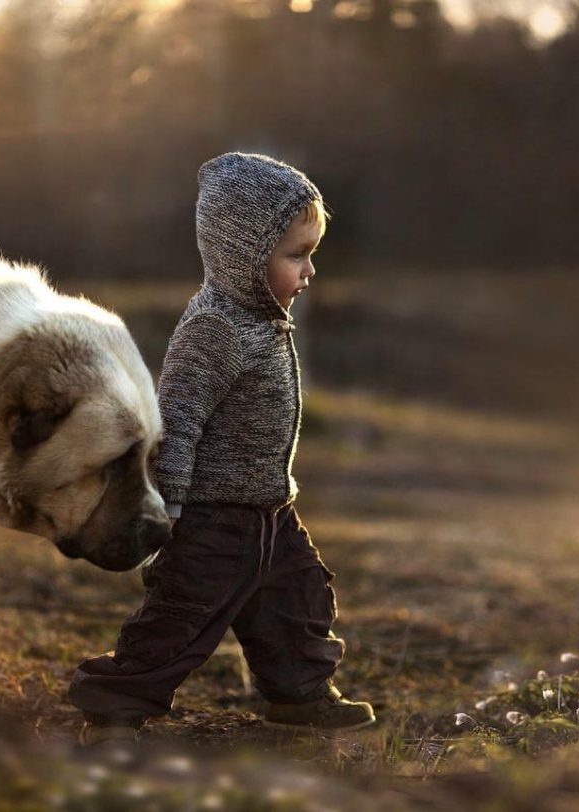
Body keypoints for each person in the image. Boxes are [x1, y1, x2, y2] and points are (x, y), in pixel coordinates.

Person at [68, 152, 375, 747]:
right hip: (212, 518)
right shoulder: (216, 328)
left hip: (270, 511)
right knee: (182, 617)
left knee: (299, 598)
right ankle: (114, 703)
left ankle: (300, 695)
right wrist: (170, 510)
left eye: (311, 253)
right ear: (244, 256)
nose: (309, 271)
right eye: (296, 255)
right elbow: (176, 423)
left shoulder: (264, 318)